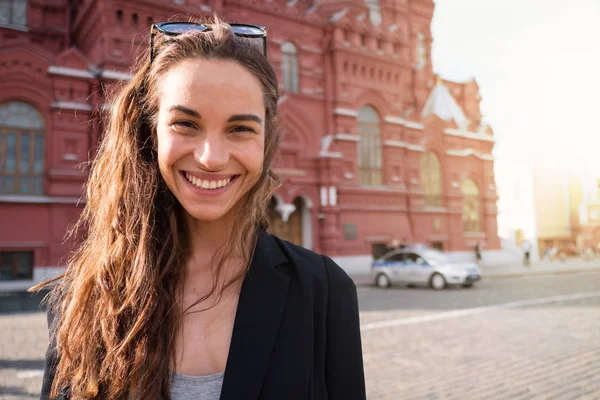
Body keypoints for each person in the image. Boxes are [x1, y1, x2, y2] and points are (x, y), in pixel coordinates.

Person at [34, 18, 365, 400]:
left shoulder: (323, 291)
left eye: (239, 129)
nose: (211, 158)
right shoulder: (85, 298)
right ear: (150, 132)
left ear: (267, 140)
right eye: (185, 124)